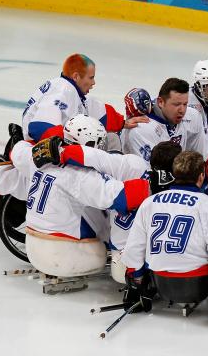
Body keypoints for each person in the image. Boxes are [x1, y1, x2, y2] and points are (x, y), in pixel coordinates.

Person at [11, 115, 159, 277]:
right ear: (88, 143)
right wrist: (154, 182)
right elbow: (122, 198)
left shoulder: (37, 157)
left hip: (32, 243)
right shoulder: (81, 176)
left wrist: (21, 140)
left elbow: (17, 152)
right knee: (116, 210)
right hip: (66, 254)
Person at [121, 151, 208, 312]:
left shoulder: (149, 202)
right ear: (201, 176)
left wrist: (137, 283)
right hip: (199, 286)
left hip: (160, 284)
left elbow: (134, 250)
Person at [21, 53, 146, 141]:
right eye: (91, 77)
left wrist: (122, 122)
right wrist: (62, 147)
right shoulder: (63, 90)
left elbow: (92, 109)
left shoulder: (69, 89)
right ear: (76, 77)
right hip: (36, 149)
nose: (93, 83)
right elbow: (40, 126)